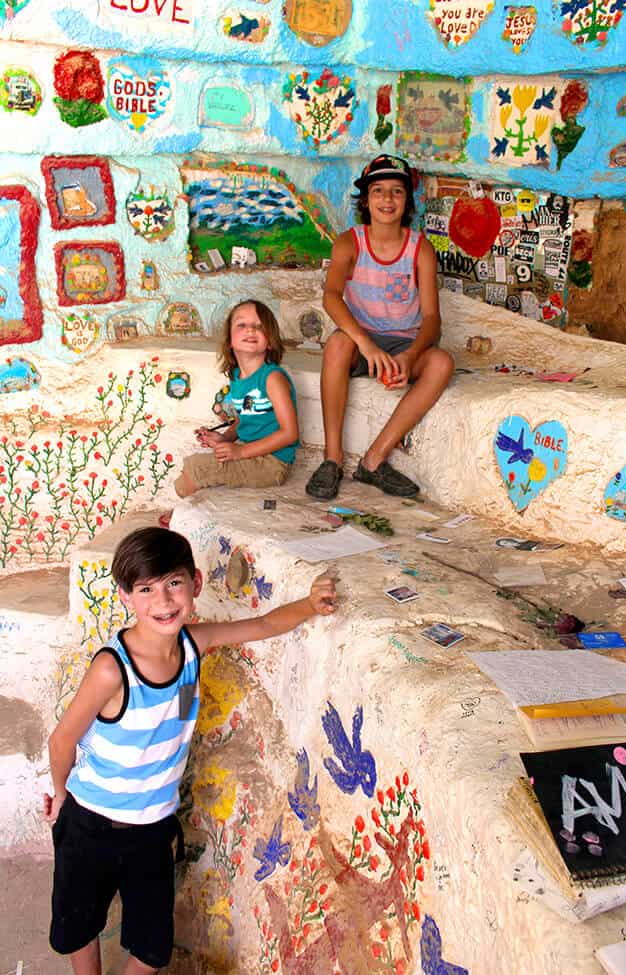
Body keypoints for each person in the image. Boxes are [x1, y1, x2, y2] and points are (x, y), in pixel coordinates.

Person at [44, 526, 336, 975]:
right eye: (146, 589)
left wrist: (309, 606)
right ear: (126, 596)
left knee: (152, 946)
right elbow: (62, 739)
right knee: (79, 925)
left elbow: (261, 625)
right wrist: (61, 794)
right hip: (90, 823)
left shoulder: (193, 645)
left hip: (152, 828)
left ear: (195, 584)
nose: (163, 601)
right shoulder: (111, 669)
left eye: (173, 584)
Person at [306, 154, 454, 500]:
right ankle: (332, 460)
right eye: (378, 191)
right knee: (338, 344)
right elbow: (331, 297)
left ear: (407, 201)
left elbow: (432, 319)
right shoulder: (349, 242)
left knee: (442, 363)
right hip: (361, 344)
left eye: (396, 192)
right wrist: (366, 345)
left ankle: (373, 461)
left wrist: (410, 355)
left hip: (403, 347)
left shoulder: (420, 249)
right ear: (366, 199)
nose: (387, 200)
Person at [161, 300, 299, 527]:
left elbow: (290, 433)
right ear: (230, 339)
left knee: (199, 467)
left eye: (258, 325)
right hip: (253, 453)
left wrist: (241, 451)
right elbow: (244, 419)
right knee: (199, 463)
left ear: (270, 339)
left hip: (272, 464)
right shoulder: (237, 377)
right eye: (241, 324)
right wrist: (225, 438)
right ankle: (186, 509)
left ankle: (179, 514)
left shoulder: (272, 378)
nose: (250, 330)